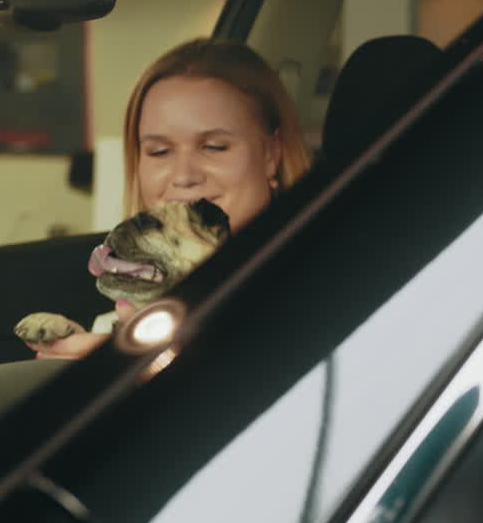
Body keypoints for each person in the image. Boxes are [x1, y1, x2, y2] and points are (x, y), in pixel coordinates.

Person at [26, 38, 311, 358]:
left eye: (215, 147)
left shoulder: (315, 288)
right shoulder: (129, 303)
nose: (184, 176)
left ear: (270, 154)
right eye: (159, 152)